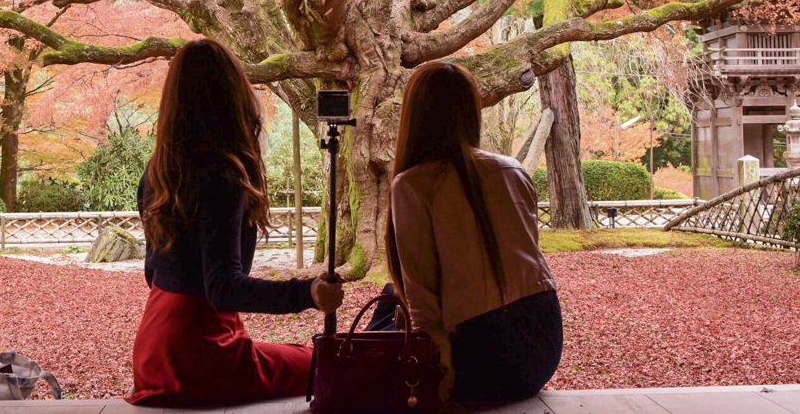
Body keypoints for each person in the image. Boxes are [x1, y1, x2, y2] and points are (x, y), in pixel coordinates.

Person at [126, 38, 343, 408]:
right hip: (200, 356)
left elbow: (153, 270)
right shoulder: (222, 176)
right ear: (232, 97)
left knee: (298, 354)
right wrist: (307, 293)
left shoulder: (158, 171)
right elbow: (223, 288)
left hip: (153, 352)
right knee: (326, 364)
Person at [376, 60, 562, 403]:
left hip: (484, 360)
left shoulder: (414, 184)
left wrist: (441, 367)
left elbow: (421, 293)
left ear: (415, 117)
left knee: (385, 311)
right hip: (544, 345)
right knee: (390, 297)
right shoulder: (513, 171)